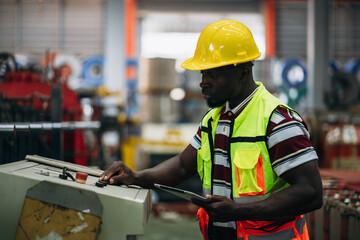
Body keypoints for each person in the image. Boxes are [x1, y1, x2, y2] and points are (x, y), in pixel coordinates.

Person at [99, 20, 323, 240]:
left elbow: (310, 192)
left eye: (214, 74)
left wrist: (241, 211)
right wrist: (136, 176)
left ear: (244, 72)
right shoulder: (214, 119)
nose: (203, 82)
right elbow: (181, 167)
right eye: (203, 74)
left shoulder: (277, 121)